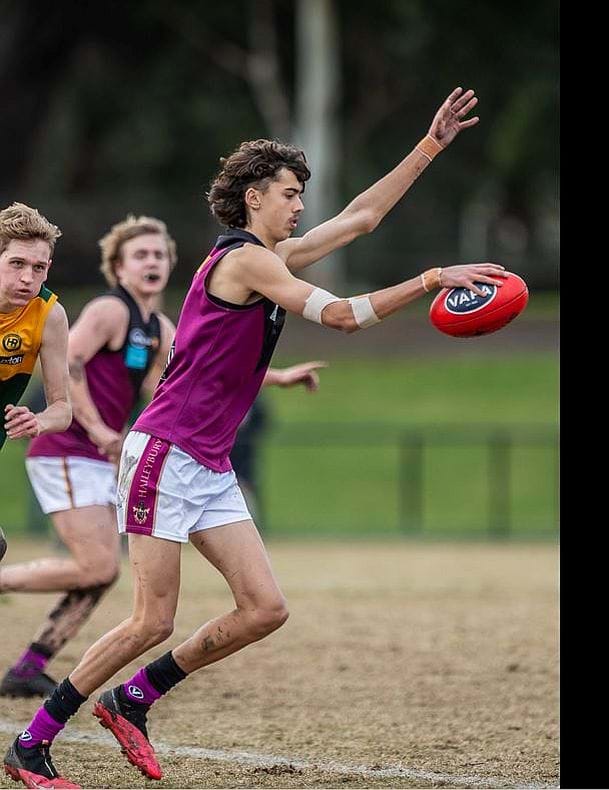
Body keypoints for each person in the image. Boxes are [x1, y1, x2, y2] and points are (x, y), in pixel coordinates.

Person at [3, 85, 506, 789]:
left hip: (203, 463)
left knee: (265, 608)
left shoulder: (270, 257)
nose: (300, 205)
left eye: (301, 195)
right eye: (290, 193)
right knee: (151, 620)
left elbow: (361, 218)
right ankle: (32, 741)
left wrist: (429, 144)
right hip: (163, 454)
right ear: (254, 200)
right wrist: (429, 278)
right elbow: (340, 316)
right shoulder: (244, 260)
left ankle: (133, 700)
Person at [0, 216, 321, 701]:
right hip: (72, 450)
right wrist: (99, 428)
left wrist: (279, 377)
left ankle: (31, 664)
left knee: (102, 571)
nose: (152, 262)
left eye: (159, 255)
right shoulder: (110, 310)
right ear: (118, 267)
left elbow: (197, 371)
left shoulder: (158, 326)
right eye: (140, 255)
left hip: (106, 455)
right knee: (97, 567)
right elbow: (73, 364)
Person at [0, 203, 73, 570]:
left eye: (38, 267)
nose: (28, 278)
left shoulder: (48, 315)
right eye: (17, 264)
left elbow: (62, 407)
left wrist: (39, 421)